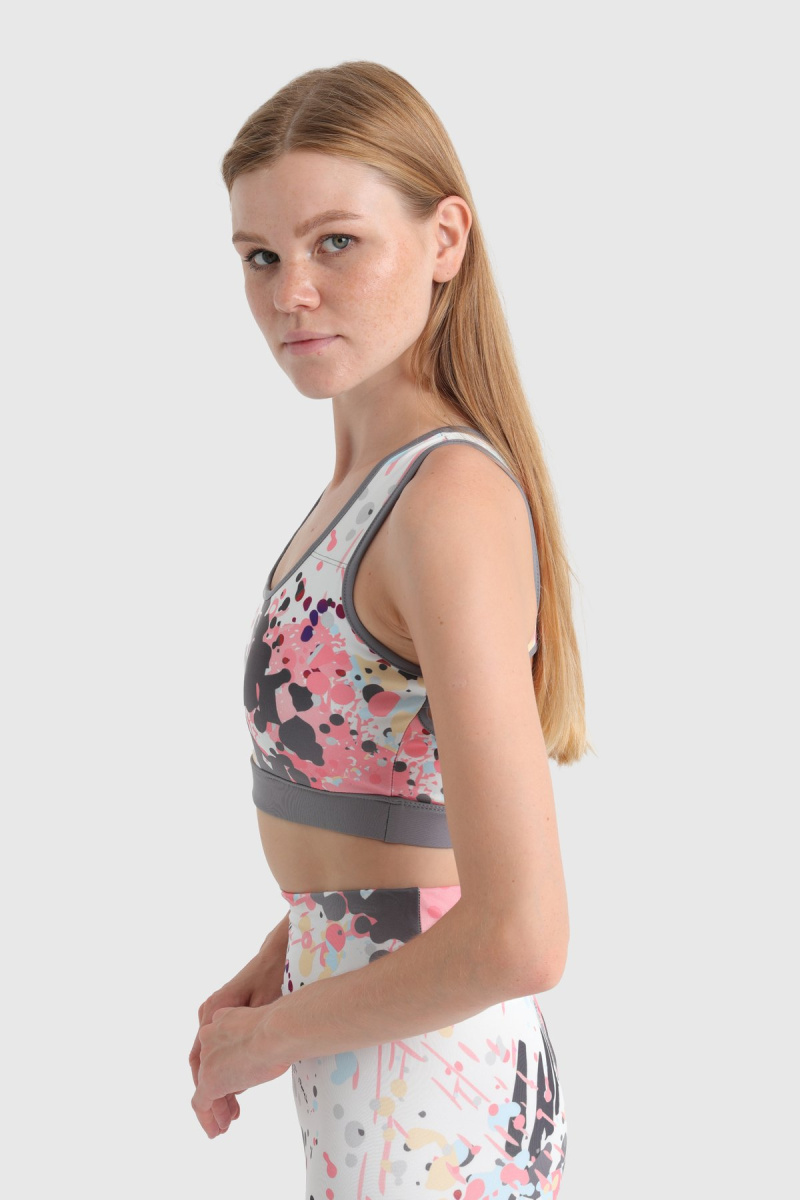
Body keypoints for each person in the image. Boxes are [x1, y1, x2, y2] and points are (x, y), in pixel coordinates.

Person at [189, 60, 587, 1199]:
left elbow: (521, 934)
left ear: (444, 240)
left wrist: (271, 1036)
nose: (291, 293)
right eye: (260, 256)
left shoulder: (444, 499)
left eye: (336, 244)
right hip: (379, 1065)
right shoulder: (366, 490)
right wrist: (280, 962)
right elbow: (395, 826)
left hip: (434, 1091)